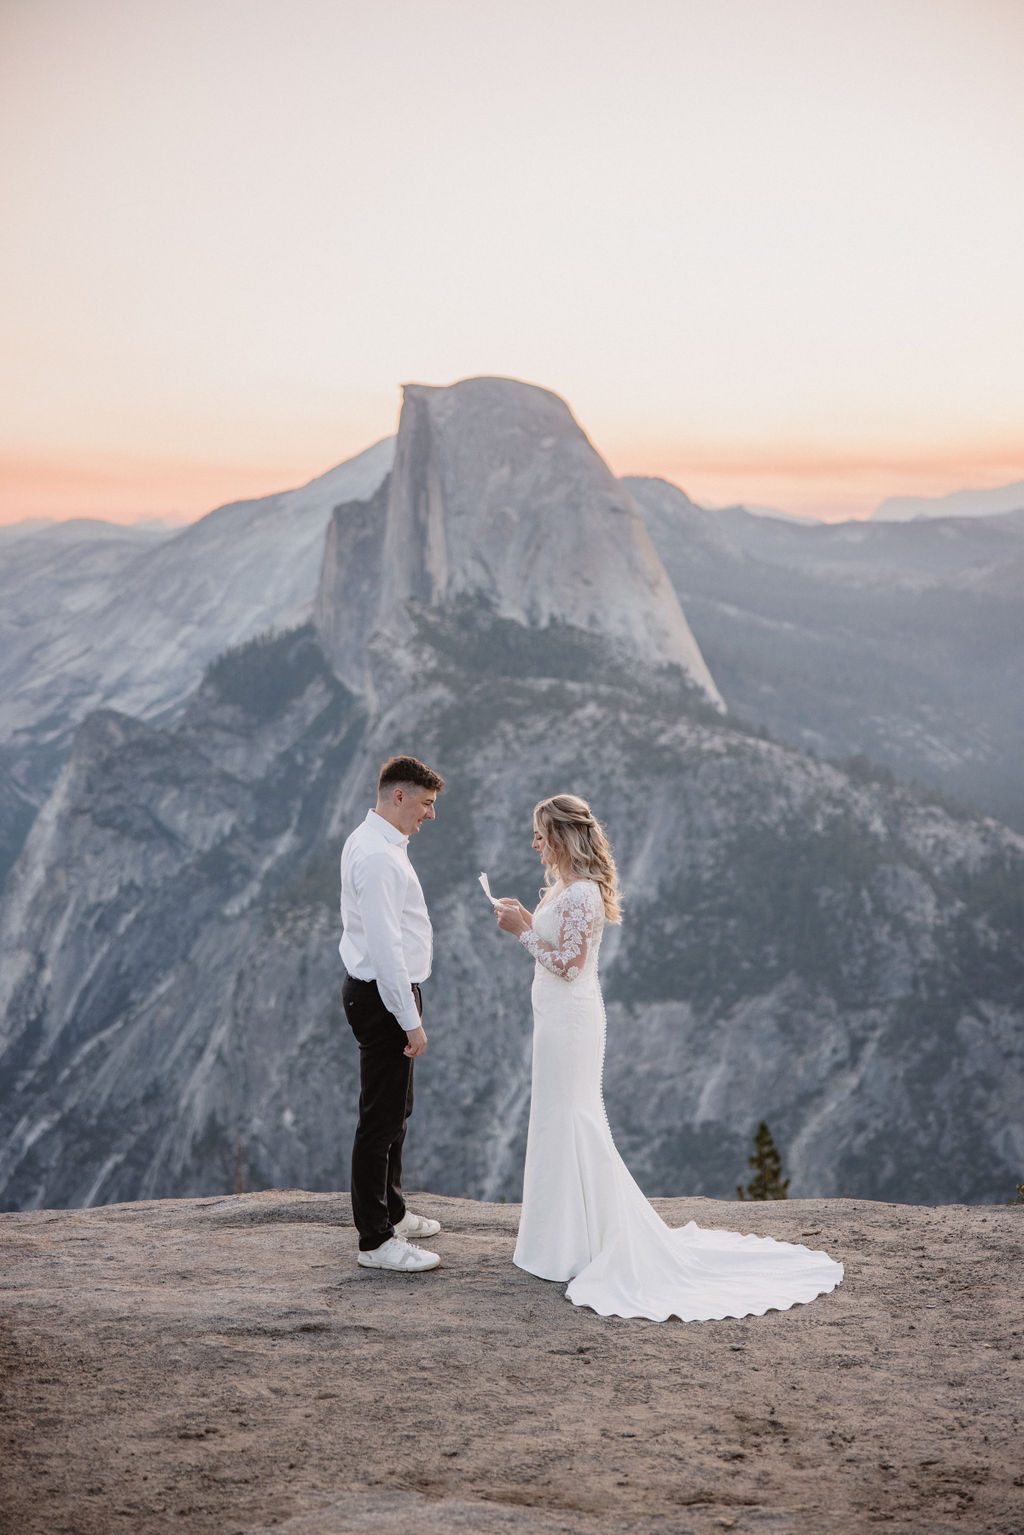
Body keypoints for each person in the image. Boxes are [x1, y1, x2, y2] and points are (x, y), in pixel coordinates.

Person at [494, 793, 844, 1321]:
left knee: (573, 1119)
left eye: (540, 833)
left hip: (571, 1023)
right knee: (554, 1120)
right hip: (555, 1021)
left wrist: (521, 933)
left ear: (562, 837)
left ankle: (577, 1242)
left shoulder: (583, 893)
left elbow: (568, 964)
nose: (534, 841)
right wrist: (526, 914)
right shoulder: (562, 889)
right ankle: (560, 1240)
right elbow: (555, 946)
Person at [340, 755, 446, 1273]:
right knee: (379, 1122)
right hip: (385, 995)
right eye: (425, 804)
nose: (430, 816)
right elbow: (385, 951)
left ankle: (394, 1211)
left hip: (383, 992)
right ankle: (376, 1241)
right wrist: (411, 1020)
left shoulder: (372, 841)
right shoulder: (380, 857)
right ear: (398, 796)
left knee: (396, 1112)